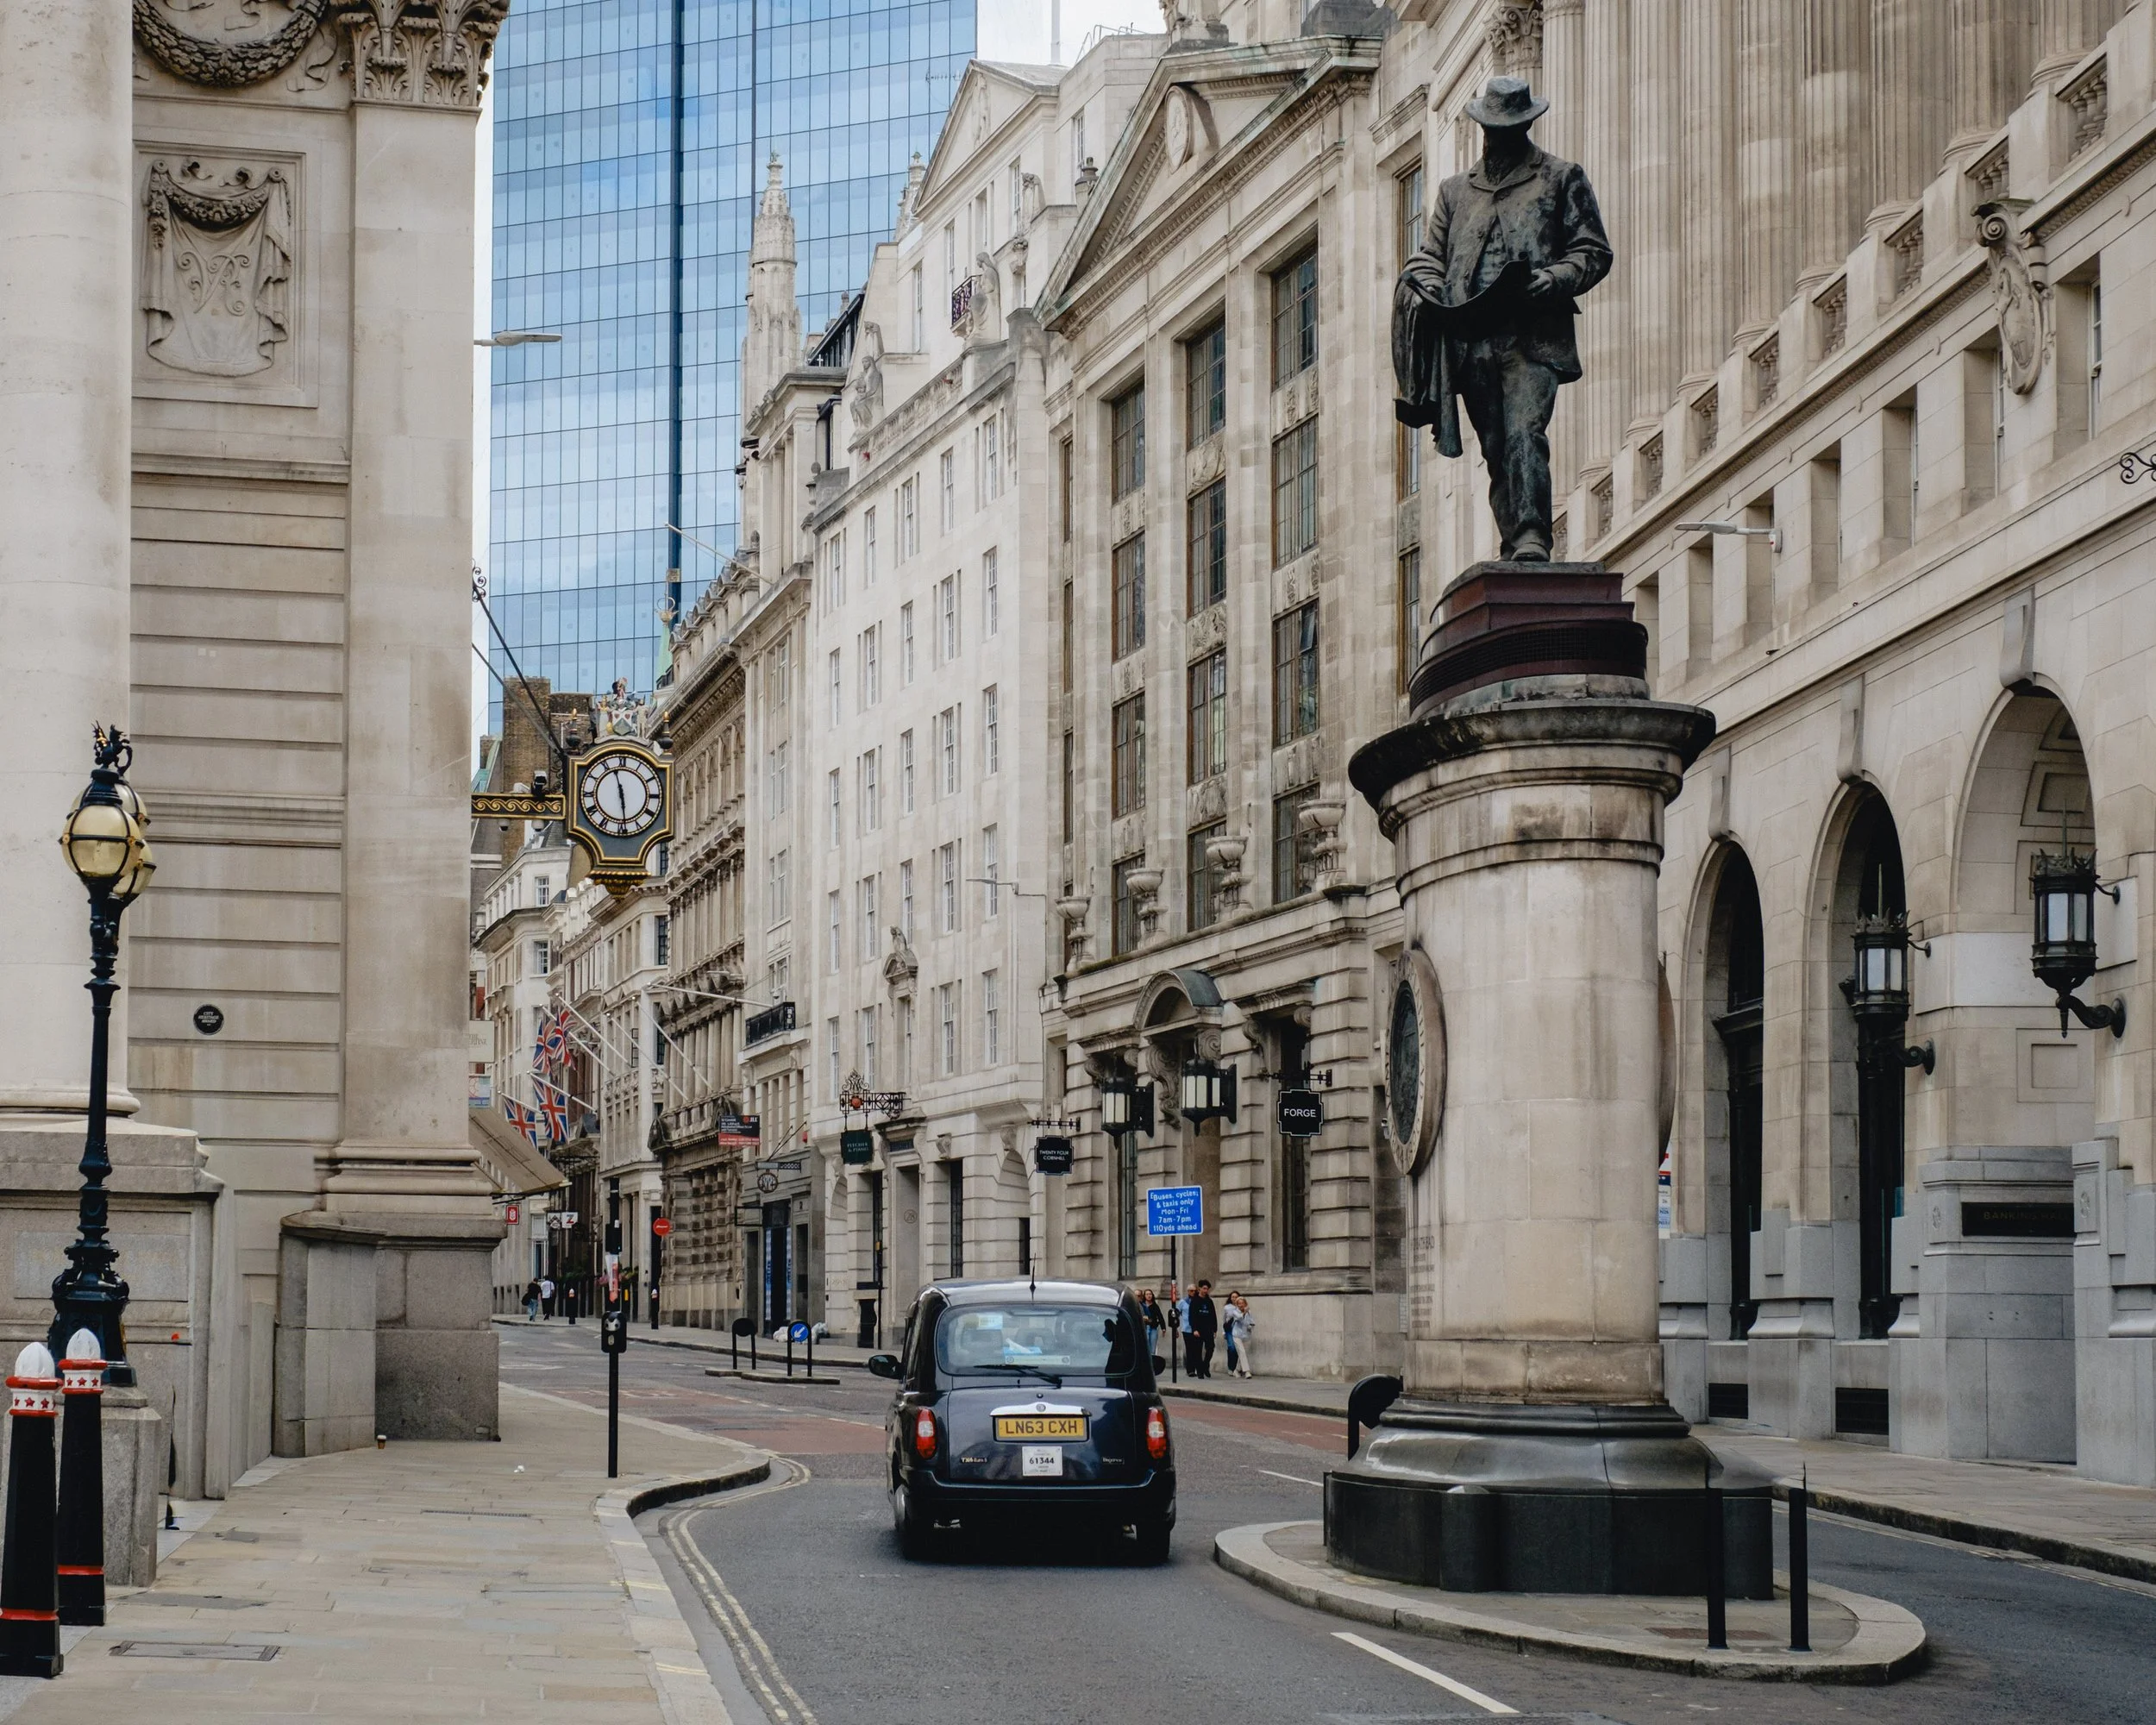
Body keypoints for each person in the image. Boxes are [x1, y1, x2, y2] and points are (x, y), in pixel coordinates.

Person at [1392, 75, 1611, 562]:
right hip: (1472, 339)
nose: (1499, 137)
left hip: (1532, 338)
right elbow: (1432, 256)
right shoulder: (1454, 193)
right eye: (1493, 128)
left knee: (1524, 432)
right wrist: (1425, 283)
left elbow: (1592, 251)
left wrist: (1555, 278)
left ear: (1525, 127)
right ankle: (1515, 540)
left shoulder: (1560, 177)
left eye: (1509, 128)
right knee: (1496, 450)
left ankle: (1534, 534)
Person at [1188, 1281, 1218, 1379]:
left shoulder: (1209, 1301)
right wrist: (1194, 1329)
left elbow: (1213, 1315)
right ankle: (1200, 1371)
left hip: (1208, 1328)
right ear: (1199, 1288)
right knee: (1197, 1351)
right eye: (1204, 1288)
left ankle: (1205, 1365)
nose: (1205, 1290)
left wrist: (1215, 1329)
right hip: (1198, 1329)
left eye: (1207, 1289)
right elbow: (1191, 1316)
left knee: (1210, 1348)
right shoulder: (1195, 1301)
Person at [1226, 1293, 1256, 1378]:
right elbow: (1239, 1318)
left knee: (1243, 1354)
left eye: (1242, 1303)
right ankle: (1247, 1371)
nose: (1240, 1305)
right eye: (1238, 1303)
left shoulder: (1249, 1312)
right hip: (1237, 1334)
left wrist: (1251, 1326)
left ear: (1245, 1304)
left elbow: (1251, 1321)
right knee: (1242, 1352)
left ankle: (1236, 1370)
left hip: (1246, 1335)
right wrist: (1244, 1313)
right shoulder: (1235, 1312)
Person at [1138, 1288, 1163, 1364]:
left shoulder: (1155, 1306)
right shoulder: (1142, 1306)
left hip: (1153, 1327)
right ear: (1144, 1296)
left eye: (1150, 1294)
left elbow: (1160, 1316)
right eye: (1147, 1294)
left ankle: (1152, 1364)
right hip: (1144, 1328)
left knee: (1152, 1347)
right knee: (1146, 1347)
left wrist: (1163, 1328)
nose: (1149, 1296)